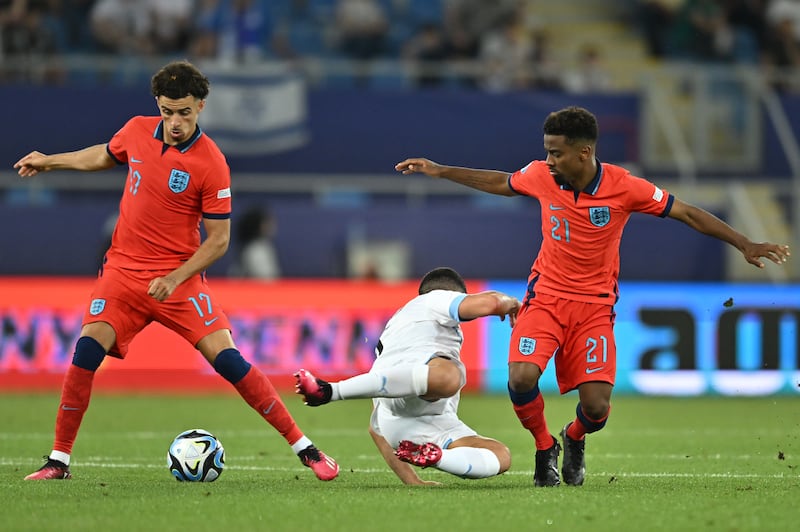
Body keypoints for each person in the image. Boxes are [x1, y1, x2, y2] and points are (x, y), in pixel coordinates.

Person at [394, 106, 791, 487]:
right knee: (521, 377)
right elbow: (501, 182)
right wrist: (441, 170)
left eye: (556, 152)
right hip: (545, 297)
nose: (547, 160)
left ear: (584, 152)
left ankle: (575, 436)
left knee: (597, 409)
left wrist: (744, 243)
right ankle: (544, 446)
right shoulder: (540, 175)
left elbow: (685, 212)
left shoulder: (625, 187)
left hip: (595, 307)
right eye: (547, 150)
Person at [14, 60, 339, 482]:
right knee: (86, 353)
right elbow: (104, 154)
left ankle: (306, 448)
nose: (175, 122)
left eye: (183, 112)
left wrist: (175, 277)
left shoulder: (212, 163)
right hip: (123, 273)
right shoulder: (135, 130)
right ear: (158, 106)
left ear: (200, 107)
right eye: (167, 112)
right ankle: (59, 461)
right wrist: (49, 161)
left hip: (179, 280)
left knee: (230, 362)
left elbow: (219, 240)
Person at [294, 267, 519, 485]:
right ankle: (330, 391)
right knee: (451, 376)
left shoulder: (395, 337)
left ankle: (438, 457)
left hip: (403, 425)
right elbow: (493, 303)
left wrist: (412, 481)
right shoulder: (435, 299)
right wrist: (512, 303)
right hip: (419, 407)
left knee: (500, 455)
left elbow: (375, 428)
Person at [229, 206, 281, 279]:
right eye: (268, 222)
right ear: (260, 226)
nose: (272, 225)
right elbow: (266, 281)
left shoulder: (261, 246)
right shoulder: (256, 250)